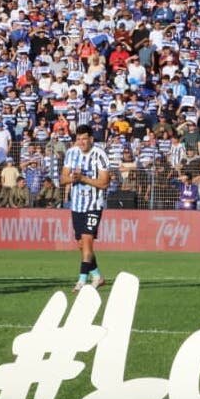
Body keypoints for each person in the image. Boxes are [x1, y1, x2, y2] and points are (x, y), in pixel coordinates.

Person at [62, 125, 111, 292]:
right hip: (76, 205)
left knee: (87, 241)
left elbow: (104, 183)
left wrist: (83, 178)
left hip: (93, 205)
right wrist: (72, 178)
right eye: (79, 139)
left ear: (91, 139)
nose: (81, 142)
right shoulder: (71, 153)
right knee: (81, 244)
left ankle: (82, 280)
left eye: (84, 138)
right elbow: (62, 179)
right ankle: (97, 276)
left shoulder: (100, 154)